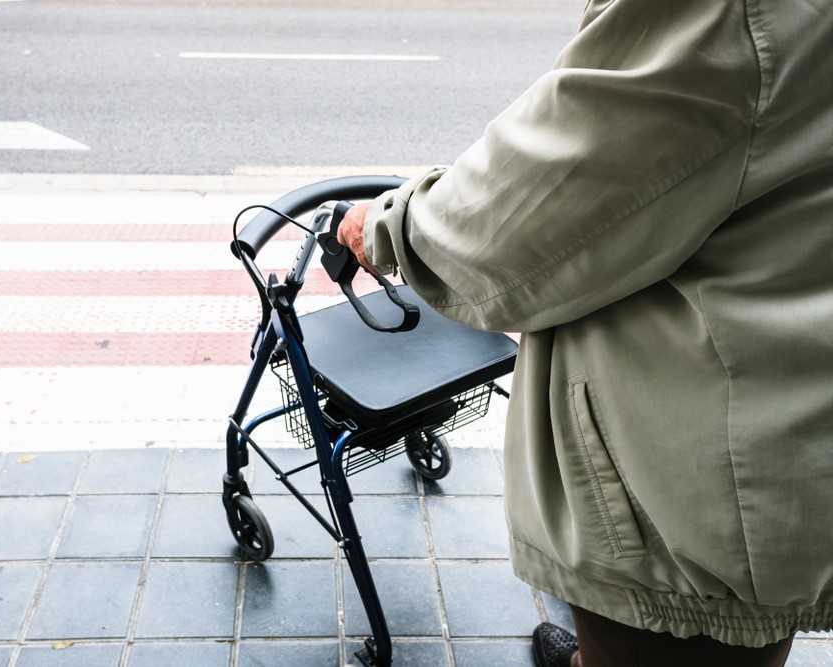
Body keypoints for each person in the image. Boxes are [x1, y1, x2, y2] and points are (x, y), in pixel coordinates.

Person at [336, 1, 833, 665]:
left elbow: (530, 215)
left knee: (684, 631)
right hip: (782, 418)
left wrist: (386, 229)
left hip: (689, 486)